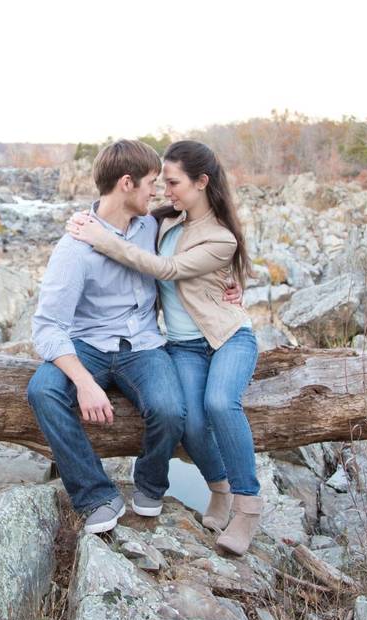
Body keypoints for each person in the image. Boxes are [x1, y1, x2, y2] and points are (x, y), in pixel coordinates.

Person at [67, 140, 262, 555]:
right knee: (188, 423)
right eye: (162, 182)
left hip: (229, 339)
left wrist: (103, 241)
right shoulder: (164, 222)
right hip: (183, 346)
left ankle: (247, 509)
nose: (164, 190)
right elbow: (118, 208)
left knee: (220, 403)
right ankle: (219, 487)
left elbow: (168, 269)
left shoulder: (221, 239)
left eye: (172, 182)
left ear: (201, 182)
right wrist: (89, 223)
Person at [27, 139, 186, 535]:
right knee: (42, 391)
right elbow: (47, 327)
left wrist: (229, 283)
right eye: (152, 182)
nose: (158, 190)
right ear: (127, 183)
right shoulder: (74, 248)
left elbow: (203, 226)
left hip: (145, 345)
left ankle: (149, 483)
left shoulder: (152, 225)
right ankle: (96, 495)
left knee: (168, 409)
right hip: (89, 346)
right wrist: (83, 383)